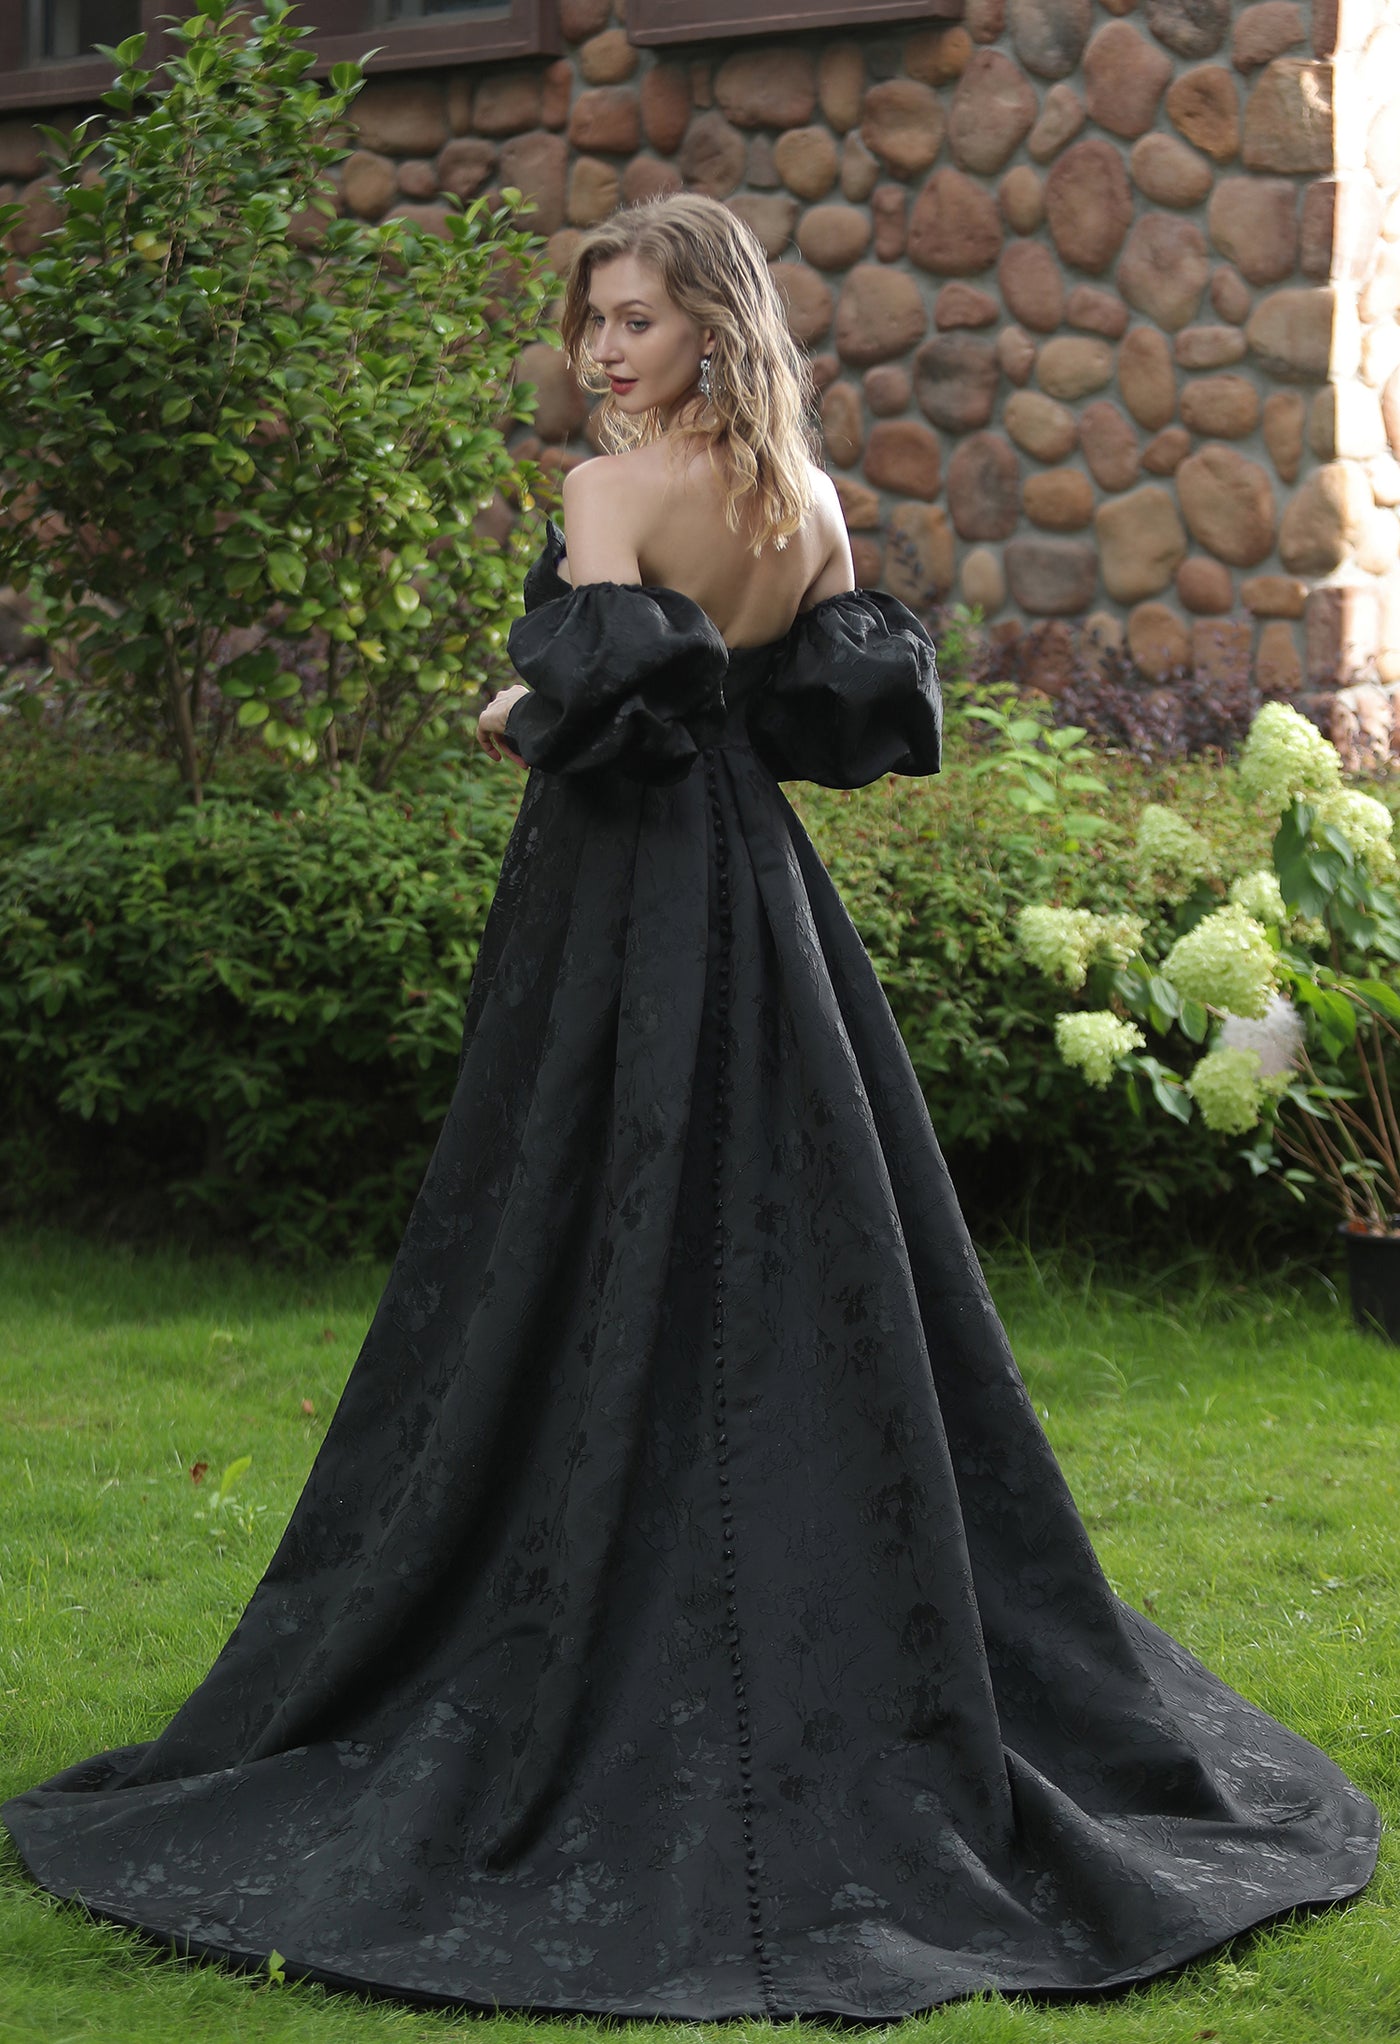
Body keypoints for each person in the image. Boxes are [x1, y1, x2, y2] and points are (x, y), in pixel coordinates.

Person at [3, 193, 1379, 2023]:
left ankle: (576, 1597)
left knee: (576, 1209)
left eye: (637, 322)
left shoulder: (608, 491)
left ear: (712, 329)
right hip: (764, 900)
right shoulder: (806, 508)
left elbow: (574, 710)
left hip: (616, 899)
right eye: (592, 323)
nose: (602, 353)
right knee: (786, 1223)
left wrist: (512, 702)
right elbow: (773, 696)